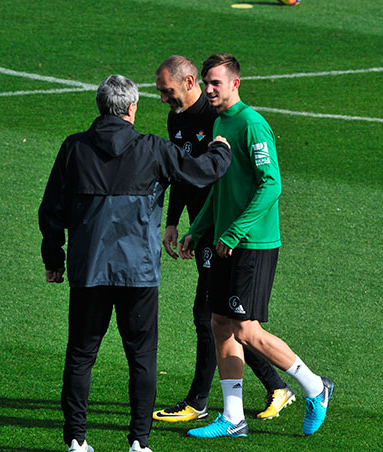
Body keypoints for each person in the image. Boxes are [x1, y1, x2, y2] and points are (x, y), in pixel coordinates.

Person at [38, 74, 231, 452]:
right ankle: (139, 443)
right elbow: (200, 172)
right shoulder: (153, 149)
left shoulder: (74, 148)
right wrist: (221, 150)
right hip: (137, 273)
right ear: (131, 108)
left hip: (89, 270)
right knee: (142, 359)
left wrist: (54, 257)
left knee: (80, 357)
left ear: (100, 107)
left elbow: (50, 211)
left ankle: (76, 441)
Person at [180, 54, 334, 439]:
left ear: (235, 83)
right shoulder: (219, 123)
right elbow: (219, 187)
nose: (209, 89)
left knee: (247, 331)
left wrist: (233, 232)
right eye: (206, 82)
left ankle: (315, 387)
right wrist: (197, 229)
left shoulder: (252, 125)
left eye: (215, 83)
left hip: (253, 244)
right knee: (220, 324)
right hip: (225, 242)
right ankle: (233, 417)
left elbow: (271, 184)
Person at [151, 56, 296, 423]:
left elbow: (265, 182)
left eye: (168, 91)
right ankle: (275, 387)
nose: (164, 98)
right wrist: (176, 222)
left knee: (215, 318)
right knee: (225, 319)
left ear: (188, 83)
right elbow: (181, 172)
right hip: (206, 229)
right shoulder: (179, 118)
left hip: (228, 234)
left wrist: (224, 229)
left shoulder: (220, 118)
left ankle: (199, 401)